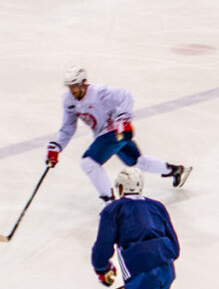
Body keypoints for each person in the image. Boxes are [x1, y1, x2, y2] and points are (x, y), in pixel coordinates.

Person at [46, 66, 188, 201]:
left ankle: (109, 201)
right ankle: (175, 170)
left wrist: (123, 119)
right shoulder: (68, 100)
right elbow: (68, 127)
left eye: (75, 85)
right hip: (107, 135)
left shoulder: (99, 93)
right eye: (70, 87)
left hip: (116, 131)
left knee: (88, 163)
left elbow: (125, 95)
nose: (72, 90)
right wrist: (57, 147)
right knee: (137, 162)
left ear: (83, 83)